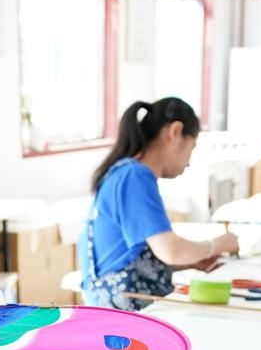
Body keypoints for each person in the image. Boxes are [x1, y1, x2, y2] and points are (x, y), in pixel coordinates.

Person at [79, 97, 239, 311]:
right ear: (175, 132)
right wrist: (218, 244)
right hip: (120, 312)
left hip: (116, 303)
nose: (189, 162)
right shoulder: (135, 176)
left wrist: (193, 260)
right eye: (191, 148)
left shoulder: (126, 173)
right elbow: (171, 250)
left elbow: (136, 256)